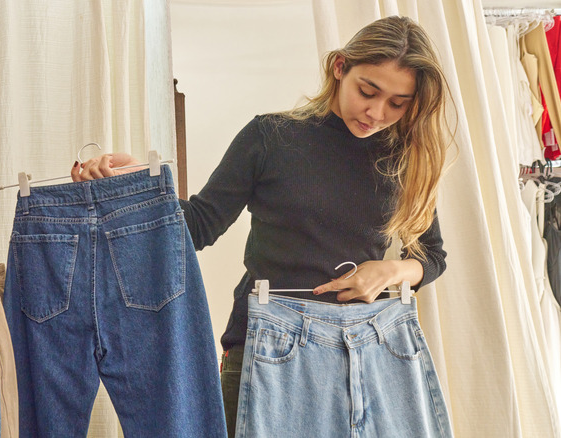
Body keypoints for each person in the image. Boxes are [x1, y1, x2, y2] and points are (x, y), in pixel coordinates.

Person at [71, 15, 454, 437]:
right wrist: (135, 188)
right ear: (340, 67)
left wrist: (392, 270)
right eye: (368, 91)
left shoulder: (404, 158)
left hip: (366, 351)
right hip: (268, 347)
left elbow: (431, 256)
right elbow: (199, 225)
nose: (377, 112)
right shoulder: (270, 137)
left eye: (397, 103)